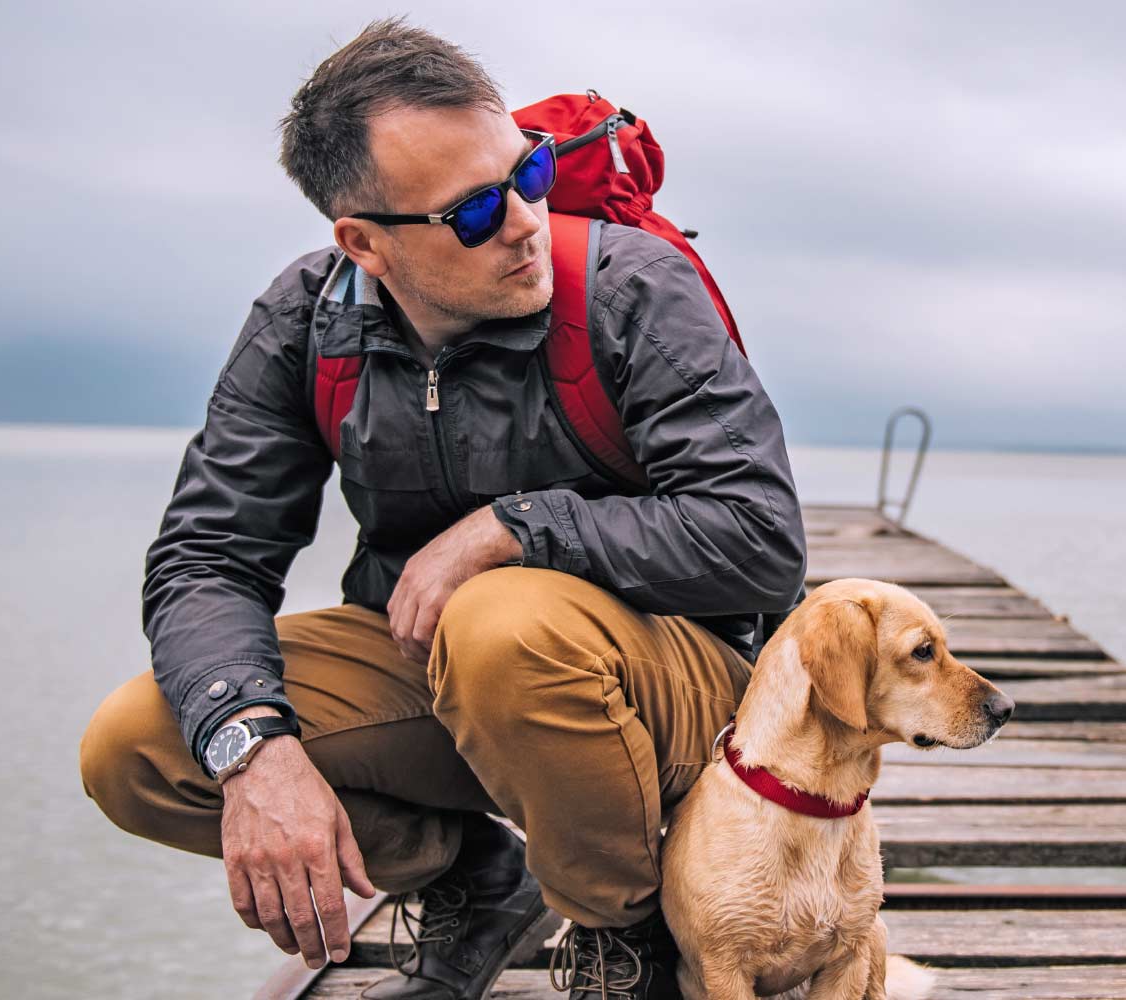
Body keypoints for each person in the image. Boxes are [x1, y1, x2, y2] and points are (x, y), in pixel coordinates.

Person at [79, 17, 806, 1000]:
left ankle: (621, 929)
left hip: (680, 697)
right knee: (141, 747)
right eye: (471, 213)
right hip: (451, 682)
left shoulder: (632, 290)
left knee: (501, 618)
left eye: (529, 175)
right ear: (363, 242)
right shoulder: (305, 323)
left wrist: (513, 527)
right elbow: (207, 559)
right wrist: (255, 747)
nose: (520, 222)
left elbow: (761, 542)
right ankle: (472, 873)